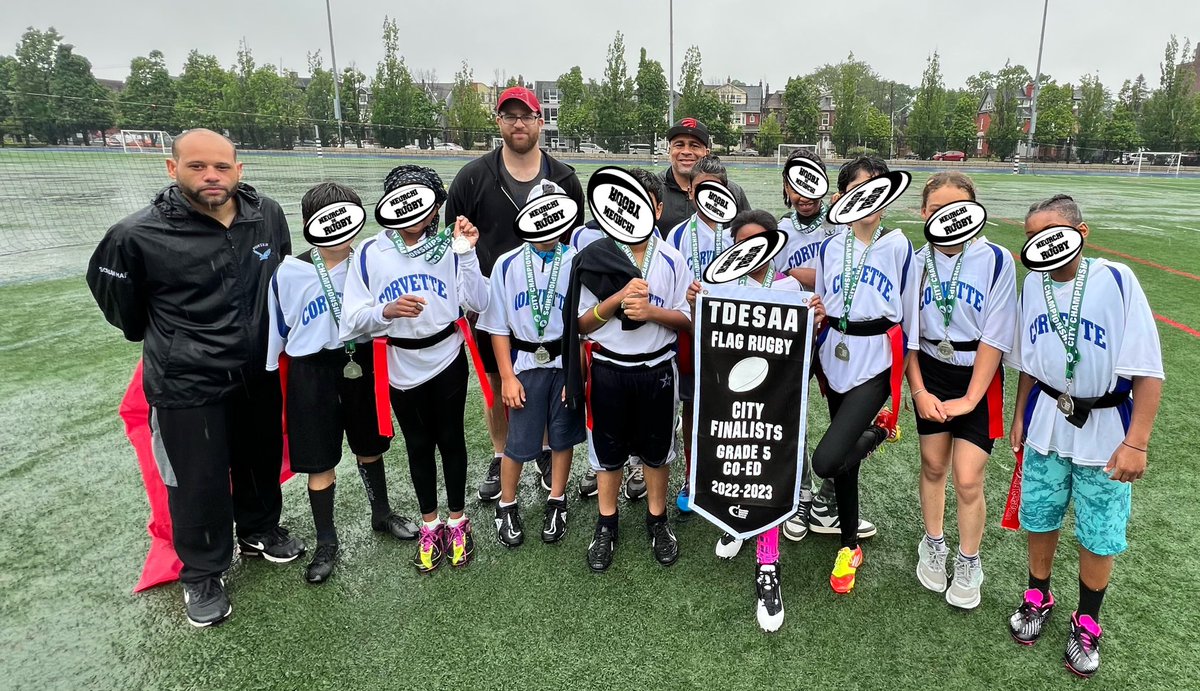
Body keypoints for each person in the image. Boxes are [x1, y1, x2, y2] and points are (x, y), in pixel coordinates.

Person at [86, 128, 304, 627]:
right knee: (197, 479)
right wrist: (179, 342)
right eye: (197, 166)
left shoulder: (265, 215)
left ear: (238, 170)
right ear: (172, 168)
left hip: (258, 372)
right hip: (187, 382)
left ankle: (260, 530)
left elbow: (281, 280)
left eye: (221, 167)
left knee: (259, 457)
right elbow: (122, 309)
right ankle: (202, 572)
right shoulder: (135, 235)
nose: (211, 176)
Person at [1005, 195, 1163, 678]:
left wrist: (1136, 441)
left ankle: (1088, 620)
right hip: (1048, 420)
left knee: (1099, 530)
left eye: (1051, 233)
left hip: (1107, 426)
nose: (1042, 244)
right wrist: (1019, 416)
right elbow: (1030, 363)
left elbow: (1147, 370)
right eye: (1033, 237)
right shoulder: (1033, 284)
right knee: (1040, 513)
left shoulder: (1117, 280)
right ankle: (1038, 593)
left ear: (1082, 232)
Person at [266, 182, 420, 585]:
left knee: (370, 446)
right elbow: (277, 332)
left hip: (362, 361)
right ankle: (327, 541)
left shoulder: (369, 263)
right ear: (307, 224)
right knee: (319, 461)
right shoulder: (289, 271)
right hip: (311, 372)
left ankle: (382, 513)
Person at [340, 165, 488, 574]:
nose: (420, 214)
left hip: (446, 355)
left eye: (426, 203)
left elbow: (478, 301)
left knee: (451, 438)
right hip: (398, 361)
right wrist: (383, 311)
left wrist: (469, 253)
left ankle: (458, 520)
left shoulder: (449, 245)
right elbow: (349, 321)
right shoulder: (370, 252)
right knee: (418, 444)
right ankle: (430, 523)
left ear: (437, 205)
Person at [443, 86, 585, 503]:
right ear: (499, 122)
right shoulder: (473, 176)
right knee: (496, 382)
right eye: (510, 116)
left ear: (541, 123)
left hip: (551, 306)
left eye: (527, 116)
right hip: (496, 305)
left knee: (551, 381)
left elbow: (575, 241)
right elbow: (454, 239)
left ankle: (542, 451)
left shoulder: (564, 178)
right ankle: (501, 451)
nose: (518, 123)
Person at [691, 210, 825, 632]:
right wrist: (699, 306)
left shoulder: (789, 288)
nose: (753, 252)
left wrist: (815, 322)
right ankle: (736, 527)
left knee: (768, 473)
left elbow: (802, 354)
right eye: (743, 243)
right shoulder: (720, 287)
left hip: (776, 408)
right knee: (735, 465)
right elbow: (708, 346)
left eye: (762, 242)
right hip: (729, 404)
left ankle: (768, 565)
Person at [563, 169, 691, 572]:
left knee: (657, 451)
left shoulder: (670, 257)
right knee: (607, 452)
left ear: (656, 207)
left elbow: (688, 319)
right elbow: (580, 324)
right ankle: (607, 523)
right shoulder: (596, 255)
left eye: (644, 202)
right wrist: (616, 299)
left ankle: (657, 519)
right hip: (608, 369)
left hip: (657, 369)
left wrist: (652, 312)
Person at [905, 172, 1016, 609]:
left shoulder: (996, 259)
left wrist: (971, 398)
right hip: (930, 371)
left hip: (978, 377)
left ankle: (969, 560)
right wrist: (918, 391)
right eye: (936, 210)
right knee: (933, 466)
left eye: (957, 209)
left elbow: (996, 333)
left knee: (968, 477)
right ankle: (933, 543)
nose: (945, 218)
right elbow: (908, 336)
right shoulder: (915, 261)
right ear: (923, 212)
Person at [811, 156, 919, 595]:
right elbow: (821, 302)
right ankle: (849, 545)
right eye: (861, 189)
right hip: (836, 356)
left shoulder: (899, 245)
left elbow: (909, 318)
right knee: (844, 467)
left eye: (879, 188)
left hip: (876, 363)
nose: (871, 198)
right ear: (843, 198)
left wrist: (906, 382)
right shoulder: (829, 246)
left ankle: (881, 431)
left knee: (825, 461)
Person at [774, 147, 874, 543]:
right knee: (791, 414)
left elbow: (853, 274)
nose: (804, 193)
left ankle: (828, 499)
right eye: (796, 184)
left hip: (839, 334)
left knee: (845, 419)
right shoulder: (779, 231)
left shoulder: (843, 227)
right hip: (794, 332)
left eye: (811, 181)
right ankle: (798, 496)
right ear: (786, 186)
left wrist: (802, 275)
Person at [478, 182, 586, 547]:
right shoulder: (507, 263)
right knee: (518, 443)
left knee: (562, 436)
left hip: (564, 363)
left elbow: (584, 323)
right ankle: (506, 505)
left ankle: (558, 498)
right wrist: (507, 376)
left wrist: (578, 373)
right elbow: (496, 326)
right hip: (524, 364)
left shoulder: (576, 261)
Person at [666, 154, 734, 513]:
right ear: (691, 192)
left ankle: (728, 473)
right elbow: (672, 291)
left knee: (731, 406)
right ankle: (694, 474)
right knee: (692, 407)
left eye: (716, 189)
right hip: (693, 336)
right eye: (701, 188)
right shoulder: (676, 235)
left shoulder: (738, 231)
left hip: (734, 335)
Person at [657, 118, 749, 233]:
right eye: (679, 145)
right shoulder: (653, 190)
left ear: (707, 152)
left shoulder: (733, 192)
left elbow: (747, 236)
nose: (686, 151)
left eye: (694, 146)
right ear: (669, 150)